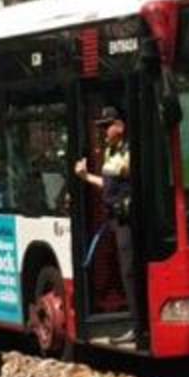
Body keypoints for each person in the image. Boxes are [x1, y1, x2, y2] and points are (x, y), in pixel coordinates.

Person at [74, 106, 141, 345]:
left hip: (128, 221)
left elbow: (134, 178)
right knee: (125, 270)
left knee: (131, 271)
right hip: (115, 220)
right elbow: (109, 185)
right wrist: (85, 177)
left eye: (106, 127)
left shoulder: (131, 151)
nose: (103, 132)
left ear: (120, 126)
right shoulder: (111, 151)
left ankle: (137, 326)